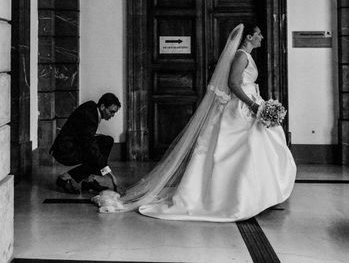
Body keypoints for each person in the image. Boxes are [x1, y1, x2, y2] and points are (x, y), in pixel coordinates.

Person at [93, 24, 296, 221]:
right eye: (258, 34)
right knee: (244, 150)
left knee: (258, 147)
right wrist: (252, 105)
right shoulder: (241, 55)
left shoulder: (246, 56)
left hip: (251, 105)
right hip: (242, 109)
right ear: (249, 37)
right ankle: (235, 197)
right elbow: (234, 84)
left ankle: (260, 195)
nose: (262, 37)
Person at [50, 93, 121, 194]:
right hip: (65, 151)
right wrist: (110, 174)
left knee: (107, 141)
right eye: (111, 112)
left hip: (70, 145)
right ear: (102, 106)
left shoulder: (92, 107)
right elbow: (90, 145)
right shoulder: (91, 117)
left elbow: (84, 134)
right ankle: (65, 177)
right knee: (96, 155)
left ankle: (89, 181)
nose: (113, 115)